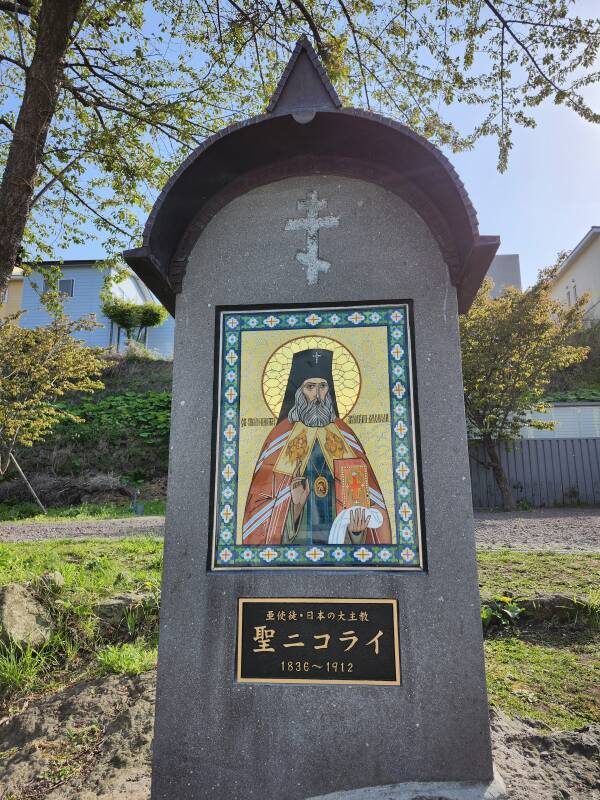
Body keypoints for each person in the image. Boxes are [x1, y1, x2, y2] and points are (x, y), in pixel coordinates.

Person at [242, 348, 392, 546]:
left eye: (322, 386)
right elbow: (259, 505)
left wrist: (357, 532)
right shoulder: (280, 437)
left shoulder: (344, 434)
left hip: (340, 545)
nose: (317, 394)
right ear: (298, 393)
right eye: (310, 387)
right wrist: (294, 506)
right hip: (295, 545)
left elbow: (365, 496)